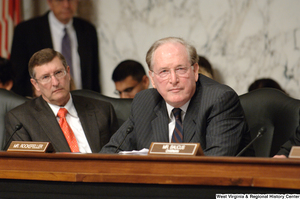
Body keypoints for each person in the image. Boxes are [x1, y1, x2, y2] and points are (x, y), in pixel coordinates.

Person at [101, 37, 252, 156]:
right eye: (164, 72)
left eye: (180, 69)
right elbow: (109, 154)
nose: (173, 80)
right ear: (152, 79)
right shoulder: (144, 102)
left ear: (195, 71)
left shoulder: (219, 100)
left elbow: (215, 165)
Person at [5, 48, 118, 152]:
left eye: (58, 73)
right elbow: (25, 167)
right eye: (45, 77)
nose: (55, 83)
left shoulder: (102, 110)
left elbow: (119, 155)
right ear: (36, 84)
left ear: (68, 73)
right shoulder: (21, 119)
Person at [10, 0, 100, 97]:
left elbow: (94, 77)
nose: (66, 5)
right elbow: (18, 78)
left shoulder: (88, 30)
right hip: (41, 106)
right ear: (50, 2)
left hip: (82, 104)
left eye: (70, 0)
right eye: (60, 0)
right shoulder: (26, 31)